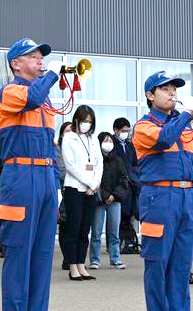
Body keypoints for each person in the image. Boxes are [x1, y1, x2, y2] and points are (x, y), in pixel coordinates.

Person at [0, 38, 66, 311]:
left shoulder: (43, 99)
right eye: (33, 56)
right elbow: (33, 97)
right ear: (15, 64)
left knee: (41, 254)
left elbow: (50, 142)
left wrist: (55, 182)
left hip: (44, 174)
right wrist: (52, 75)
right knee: (19, 252)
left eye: (41, 57)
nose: (40, 61)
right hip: (20, 174)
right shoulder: (12, 91)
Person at [133, 71, 193, 311]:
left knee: (181, 261)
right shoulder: (144, 126)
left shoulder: (185, 126)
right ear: (150, 95)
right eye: (165, 89)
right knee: (157, 260)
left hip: (185, 198)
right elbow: (163, 139)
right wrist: (186, 115)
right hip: (159, 198)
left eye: (174, 88)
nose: (172, 93)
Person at [60, 105, 101, 281]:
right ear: (77, 120)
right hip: (74, 188)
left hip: (91, 190)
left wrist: (96, 183)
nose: (87, 125)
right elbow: (70, 165)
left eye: (90, 122)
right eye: (84, 121)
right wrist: (90, 181)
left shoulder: (93, 139)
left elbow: (99, 164)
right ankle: (72, 266)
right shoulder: (69, 137)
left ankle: (81, 264)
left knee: (85, 229)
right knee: (73, 228)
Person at [89, 130, 128, 269]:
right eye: (105, 141)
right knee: (96, 232)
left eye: (110, 141)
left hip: (115, 201)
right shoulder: (95, 159)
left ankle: (115, 259)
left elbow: (124, 180)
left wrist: (114, 195)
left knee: (114, 232)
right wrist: (105, 196)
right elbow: (94, 179)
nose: (108, 143)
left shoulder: (118, 160)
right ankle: (94, 260)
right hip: (99, 200)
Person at [111, 117, 139, 254]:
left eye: (128, 131)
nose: (125, 133)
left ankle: (128, 243)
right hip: (118, 185)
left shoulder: (129, 145)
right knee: (119, 216)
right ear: (116, 130)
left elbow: (135, 164)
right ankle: (117, 244)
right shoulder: (111, 144)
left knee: (129, 214)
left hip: (131, 184)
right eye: (123, 131)